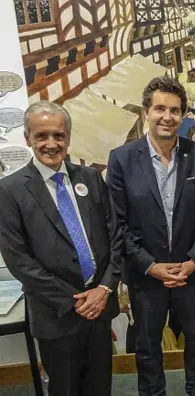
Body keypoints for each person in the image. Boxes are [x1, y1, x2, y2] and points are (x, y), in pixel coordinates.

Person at [0, 101, 123, 395]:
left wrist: (104, 289)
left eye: (59, 135)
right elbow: (19, 261)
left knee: (99, 386)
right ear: (28, 138)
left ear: (68, 137)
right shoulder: (10, 191)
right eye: (42, 136)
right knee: (65, 388)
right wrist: (76, 300)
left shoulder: (90, 178)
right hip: (57, 315)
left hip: (100, 307)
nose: (51, 144)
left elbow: (115, 238)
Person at [107, 76, 195, 396]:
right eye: (160, 109)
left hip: (190, 274)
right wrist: (150, 265)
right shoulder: (122, 159)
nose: (167, 116)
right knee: (148, 346)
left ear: (182, 116)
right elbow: (117, 225)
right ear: (146, 113)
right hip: (146, 275)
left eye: (175, 110)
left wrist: (193, 261)